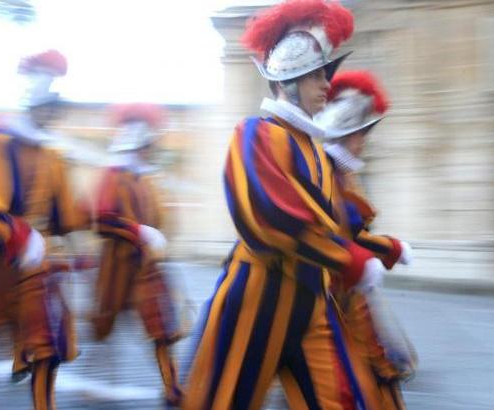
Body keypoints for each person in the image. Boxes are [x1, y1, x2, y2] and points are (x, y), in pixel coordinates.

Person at [182, 1, 388, 409]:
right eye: (314, 74)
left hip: (311, 300)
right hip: (258, 297)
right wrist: (349, 259)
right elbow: (272, 217)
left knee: (347, 400)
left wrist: (374, 248)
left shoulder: (314, 148)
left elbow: (336, 219)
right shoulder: (256, 133)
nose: (326, 82)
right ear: (286, 79)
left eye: (324, 72)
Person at [0, 49, 85, 410]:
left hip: (43, 265)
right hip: (6, 257)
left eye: (55, 109)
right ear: (33, 106)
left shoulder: (52, 155)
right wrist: (20, 235)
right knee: (20, 329)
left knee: (50, 340)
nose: (53, 116)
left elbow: (63, 214)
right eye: (48, 108)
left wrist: (71, 244)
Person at [315, 70, 416, 409]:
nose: (364, 142)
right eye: (360, 134)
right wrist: (365, 259)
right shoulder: (325, 174)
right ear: (344, 134)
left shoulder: (345, 174)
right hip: (325, 297)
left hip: (351, 295)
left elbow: (357, 233)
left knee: (375, 376)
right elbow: (327, 236)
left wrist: (392, 248)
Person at [91, 103, 183, 405]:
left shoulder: (148, 180)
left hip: (146, 269)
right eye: (145, 145)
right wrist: (139, 232)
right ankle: (98, 377)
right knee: (104, 326)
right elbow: (102, 218)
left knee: (161, 328)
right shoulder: (113, 175)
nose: (148, 150)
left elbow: (160, 222)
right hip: (116, 267)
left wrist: (158, 234)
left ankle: (171, 386)